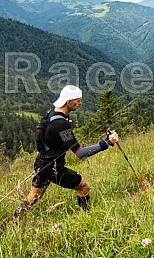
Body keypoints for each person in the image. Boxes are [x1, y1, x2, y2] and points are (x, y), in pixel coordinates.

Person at [14, 85, 119, 217]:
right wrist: (107, 143)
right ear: (68, 101)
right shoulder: (60, 124)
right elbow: (80, 153)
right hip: (53, 168)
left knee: (32, 198)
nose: (80, 103)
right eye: (78, 100)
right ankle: (86, 217)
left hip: (41, 163)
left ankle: (16, 218)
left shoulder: (52, 113)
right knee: (84, 186)